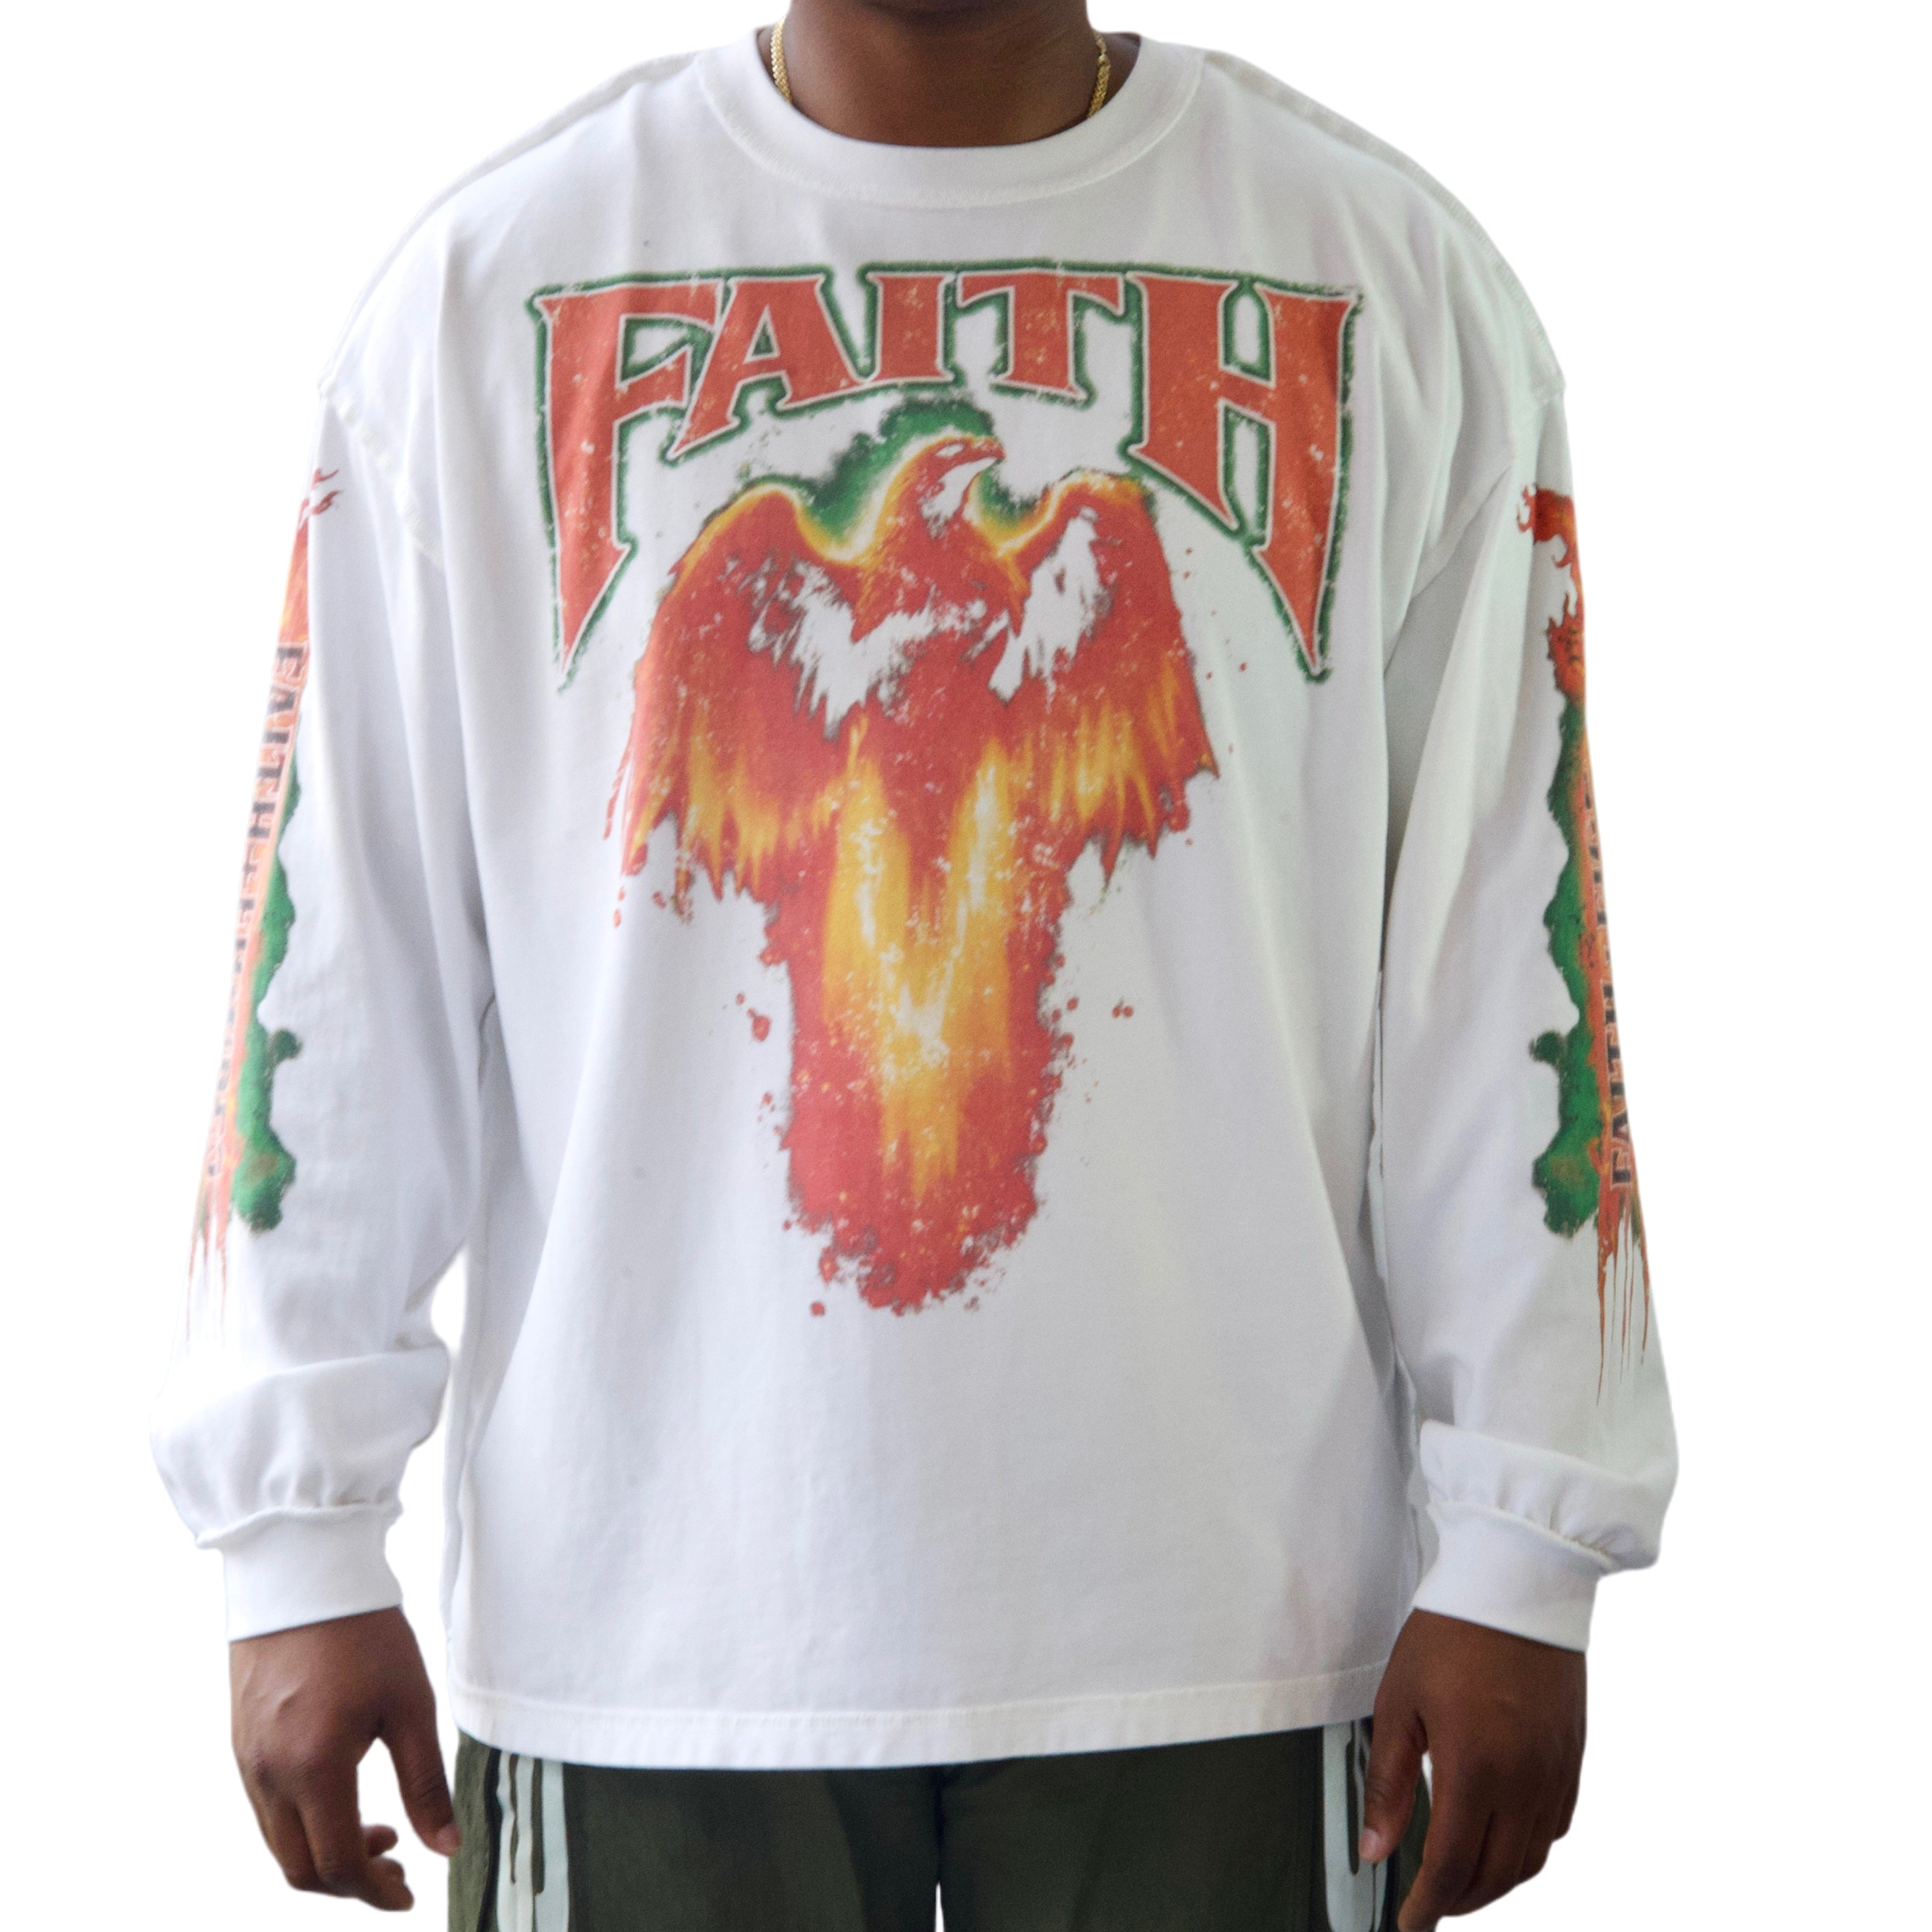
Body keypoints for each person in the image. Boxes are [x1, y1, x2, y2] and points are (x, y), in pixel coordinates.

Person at [154, 3, 1677, 1925]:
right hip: (663, 1617)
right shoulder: (491, 290)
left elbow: (1503, 926)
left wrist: (1528, 1535)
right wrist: (293, 1532)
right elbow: (344, 925)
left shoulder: (1388, 282)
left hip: (1231, 1610)